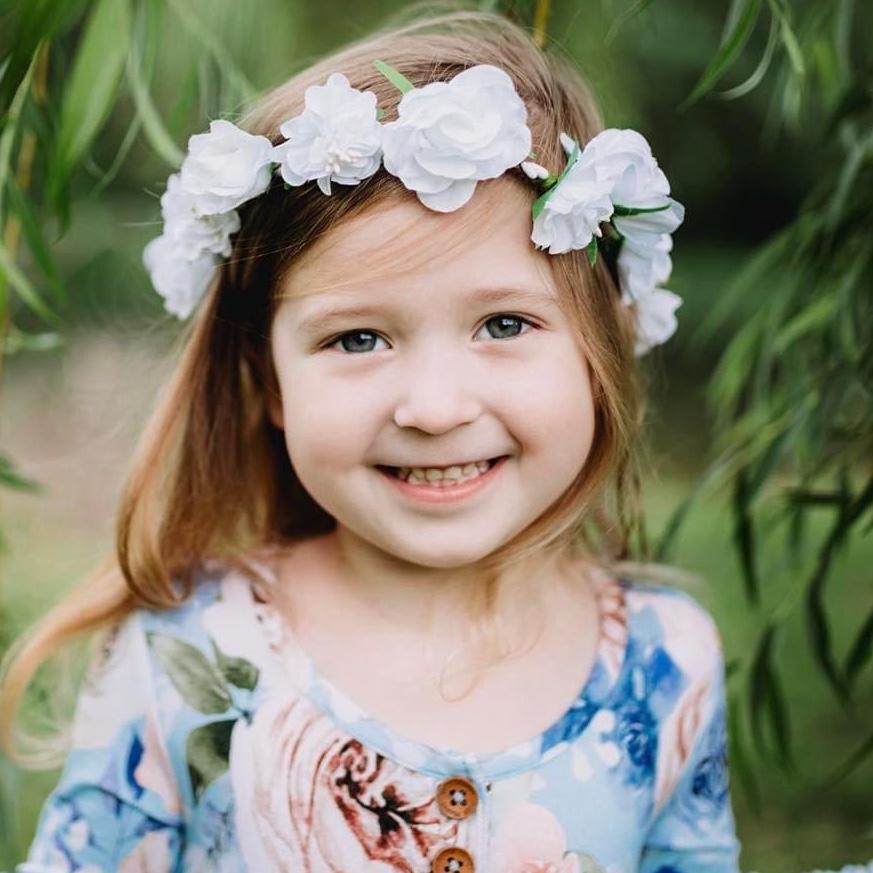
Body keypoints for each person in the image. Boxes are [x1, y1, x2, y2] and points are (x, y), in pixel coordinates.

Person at [0, 6, 742, 872]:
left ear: (602, 347)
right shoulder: (183, 656)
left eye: (504, 323)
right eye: (357, 338)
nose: (433, 408)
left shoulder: (666, 662)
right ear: (267, 380)